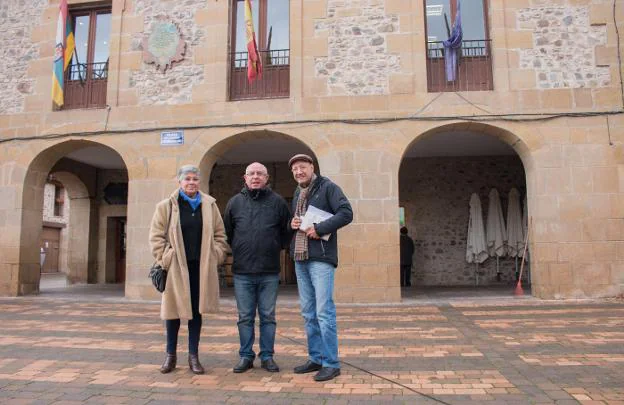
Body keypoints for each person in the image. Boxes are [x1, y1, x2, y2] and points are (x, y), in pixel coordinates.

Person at [149, 165, 229, 375]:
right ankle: (170, 356)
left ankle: (193, 356)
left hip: (200, 267)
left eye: (195, 179)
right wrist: (166, 257)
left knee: (195, 312)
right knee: (173, 312)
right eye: (187, 179)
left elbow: (220, 235)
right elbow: (156, 237)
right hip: (176, 267)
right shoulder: (166, 206)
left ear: (199, 182)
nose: (191, 182)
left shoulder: (209, 205)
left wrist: (216, 255)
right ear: (180, 182)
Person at [288, 153, 353, 382]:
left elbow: (346, 213)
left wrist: (320, 227)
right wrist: (293, 222)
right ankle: (316, 358)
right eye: (295, 169)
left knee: (324, 312)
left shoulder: (328, 187)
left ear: (312, 167)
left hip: (321, 258)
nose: (298, 172)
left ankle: (331, 363)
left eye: (302, 167)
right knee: (308, 313)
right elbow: (298, 221)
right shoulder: (298, 192)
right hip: (300, 256)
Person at [223, 162, 291, 374]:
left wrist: (273, 247)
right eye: (251, 174)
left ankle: (267, 356)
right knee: (245, 317)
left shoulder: (278, 202)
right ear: (245, 178)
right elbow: (227, 232)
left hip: (269, 271)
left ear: (266, 177)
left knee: (268, 317)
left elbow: (286, 232)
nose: (255, 177)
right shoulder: (234, 203)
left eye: (259, 173)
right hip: (242, 272)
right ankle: (245, 356)